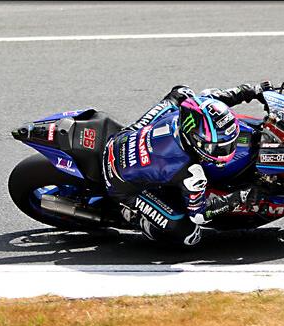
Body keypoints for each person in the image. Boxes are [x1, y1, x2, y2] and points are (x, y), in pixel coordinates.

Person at [101, 81, 273, 246]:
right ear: (197, 142)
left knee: (181, 93)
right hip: (121, 182)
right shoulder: (191, 172)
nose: (228, 150)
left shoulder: (188, 110)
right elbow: (199, 214)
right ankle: (134, 217)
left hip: (123, 138)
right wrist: (240, 197)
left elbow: (215, 99)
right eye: (219, 148)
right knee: (189, 234)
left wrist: (253, 90)